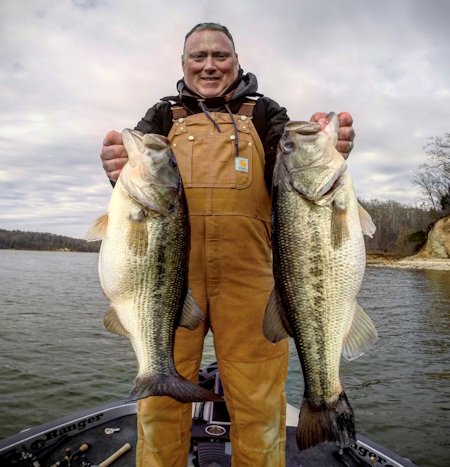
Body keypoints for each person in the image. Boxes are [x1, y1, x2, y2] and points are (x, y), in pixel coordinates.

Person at [100, 22, 355, 467]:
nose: (210, 65)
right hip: (168, 284)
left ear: (237, 62)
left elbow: (294, 178)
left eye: (221, 56)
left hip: (251, 282)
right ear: (183, 65)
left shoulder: (265, 113)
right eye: (198, 57)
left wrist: (330, 149)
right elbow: (137, 183)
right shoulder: (162, 116)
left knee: (259, 406)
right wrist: (116, 169)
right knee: (160, 406)